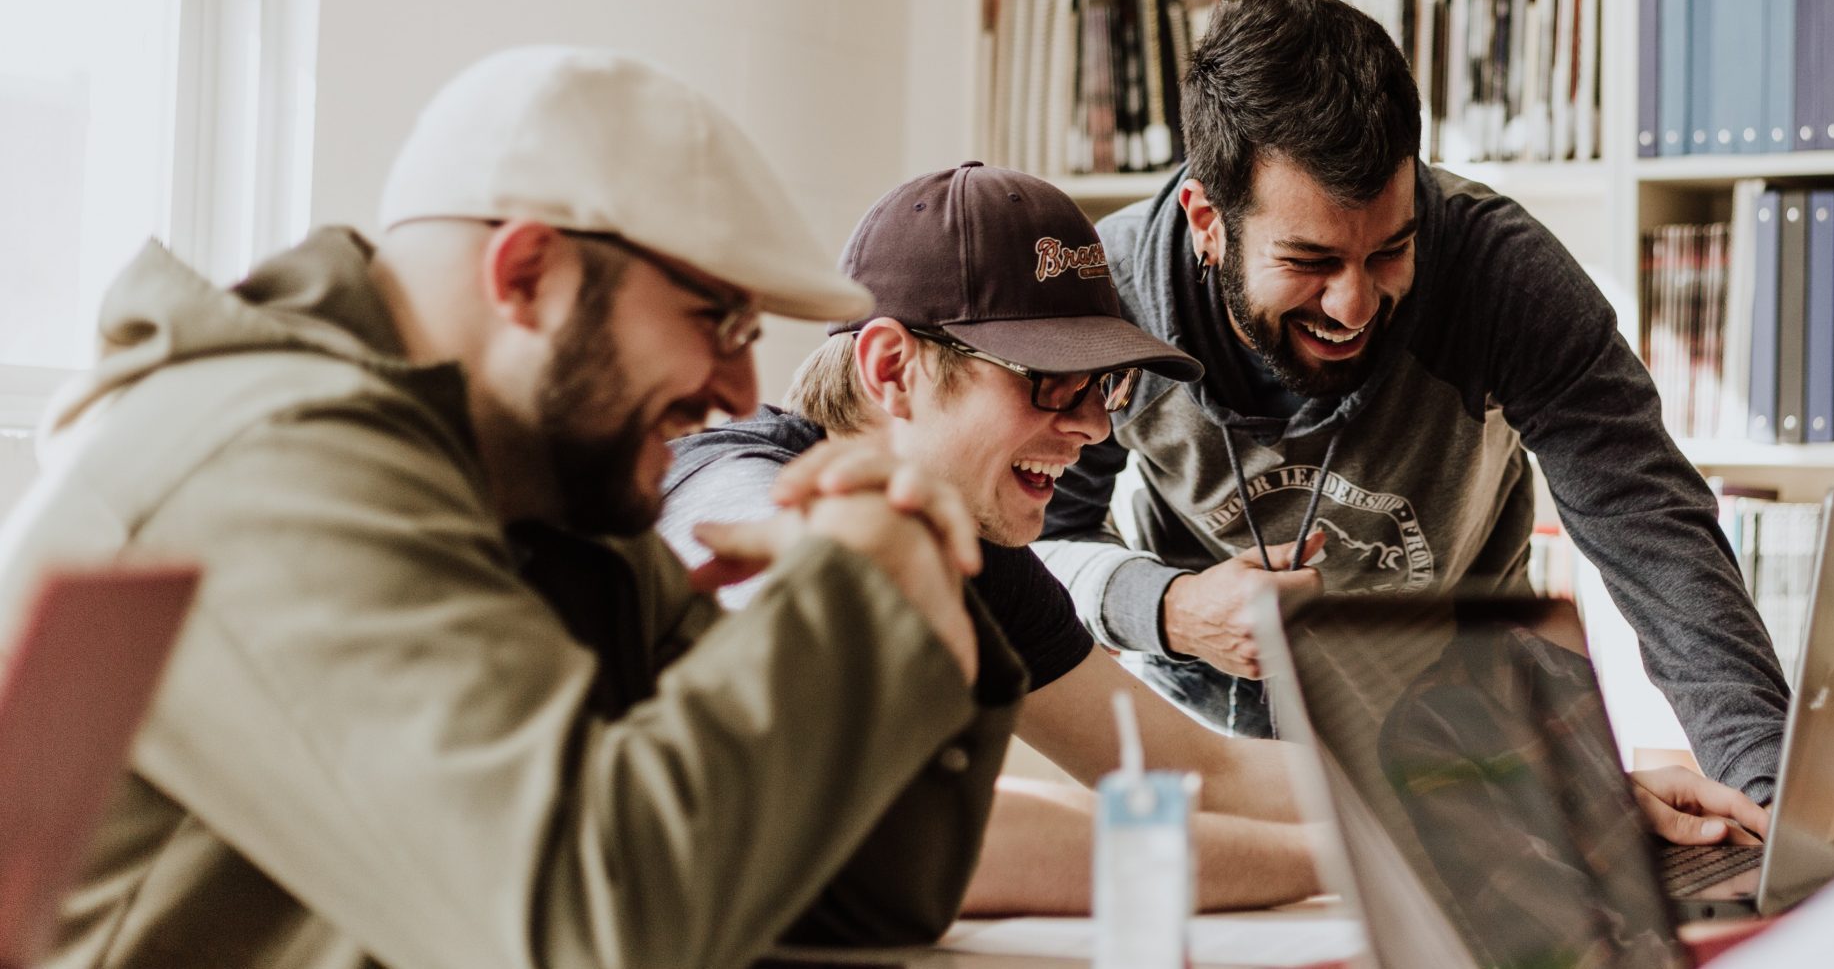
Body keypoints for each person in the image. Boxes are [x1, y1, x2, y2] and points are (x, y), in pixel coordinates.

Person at [0, 46, 1020, 969]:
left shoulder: (545, 497)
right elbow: (587, 928)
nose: (742, 391)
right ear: (526, 273)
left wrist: (916, 593)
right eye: (717, 318)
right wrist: (849, 596)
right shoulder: (268, 467)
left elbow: (853, 899)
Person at [659, 163, 1773, 917]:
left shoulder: (975, 548)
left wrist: (1542, 794)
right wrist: (1403, 855)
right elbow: (917, 832)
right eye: (1050, 383)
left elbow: (1190, 768)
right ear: (892, 369)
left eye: (1104, 389)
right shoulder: (741, 499)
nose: (1095, 427)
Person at [1033, 0, 1791, 801]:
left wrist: (1766, 793)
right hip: (1203, 748)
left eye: (1389, 250)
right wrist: (1170, 608)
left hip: (1459, 731)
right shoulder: (1109, 304)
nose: (1353, 306)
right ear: (1206, 221)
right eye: (1310, 262)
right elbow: (1035, 545)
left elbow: (1652, 532)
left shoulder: (1505, 278)